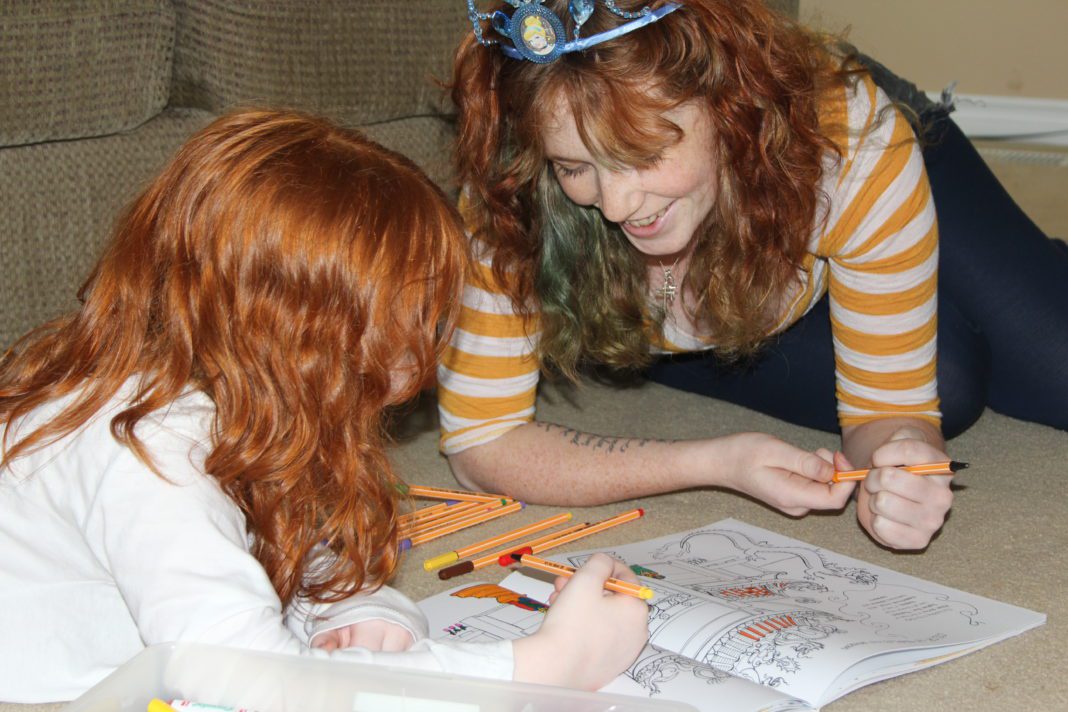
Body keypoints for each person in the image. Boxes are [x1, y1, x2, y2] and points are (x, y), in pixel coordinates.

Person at [0, 109, 648, 702]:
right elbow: (239, 677)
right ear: (308, 338)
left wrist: (362, 614)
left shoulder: (236, 391)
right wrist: (541, 665)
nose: (424, 373)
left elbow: (292, 546)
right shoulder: (144, 446)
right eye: (411, 328)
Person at [441, 1, 1068, 551]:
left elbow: (891, 404)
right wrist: (714, 460)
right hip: (772, 276)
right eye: (575, 167)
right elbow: (481, 446)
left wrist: (905, 461)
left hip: (830, 164)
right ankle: (893, 282)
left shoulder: (849, 150)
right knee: (952, 381)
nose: (616, 205)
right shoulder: (511, 196)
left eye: (643, 154)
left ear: (726, 105)